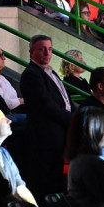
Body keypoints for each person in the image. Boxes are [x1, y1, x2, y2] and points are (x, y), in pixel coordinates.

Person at [20, 34, 75, 196]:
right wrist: (74, 120)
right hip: (45, 135)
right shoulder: (31, 74)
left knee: (56, 176)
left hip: (58, 132)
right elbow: (47, 105)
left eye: (49, 49)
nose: (47, 53)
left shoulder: (51, 72)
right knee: (46, 180)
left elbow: (66, 100)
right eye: (42, 49)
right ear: (31, 52)